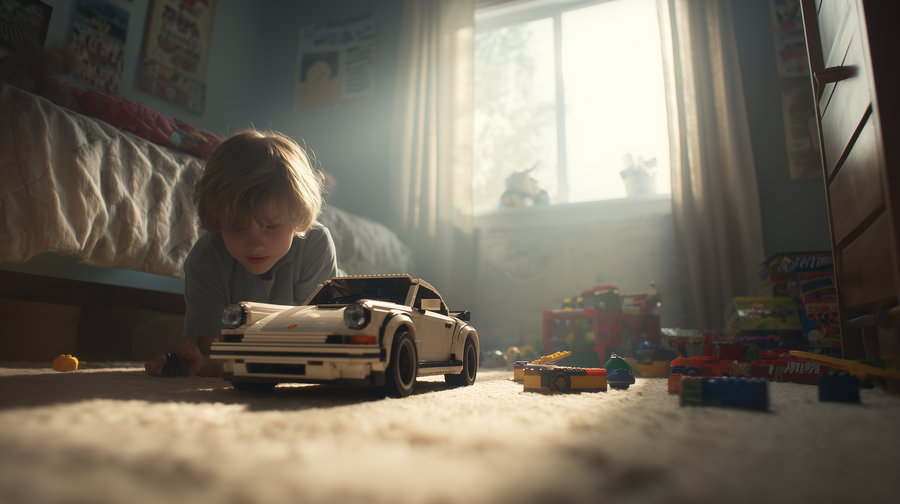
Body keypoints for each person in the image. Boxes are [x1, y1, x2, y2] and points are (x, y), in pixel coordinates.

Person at [145, 129, 338, 377]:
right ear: (218, 222)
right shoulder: (205, 258)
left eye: (271, 226)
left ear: (297, 217)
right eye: (237, 227)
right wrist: (202, 364)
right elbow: (212, 351)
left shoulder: (316, 243)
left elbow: (317, 341)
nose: (255, 245)